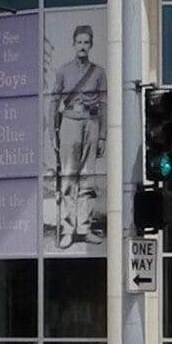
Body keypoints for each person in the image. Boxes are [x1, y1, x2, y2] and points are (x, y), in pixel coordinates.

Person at [49, 24, 107, 247]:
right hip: (70, 122)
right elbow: (54, 101)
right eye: (79, 42)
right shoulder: (63, 71)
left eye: (86, 42)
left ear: (91, 45)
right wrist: (53, 132)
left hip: (91, 122)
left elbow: (104, 104)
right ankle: (68, 229)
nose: (82, 46)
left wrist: (102, 136)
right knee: (68, 176)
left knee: (87, 177)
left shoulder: (99, 72)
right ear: (74, 44)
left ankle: (84, 228)